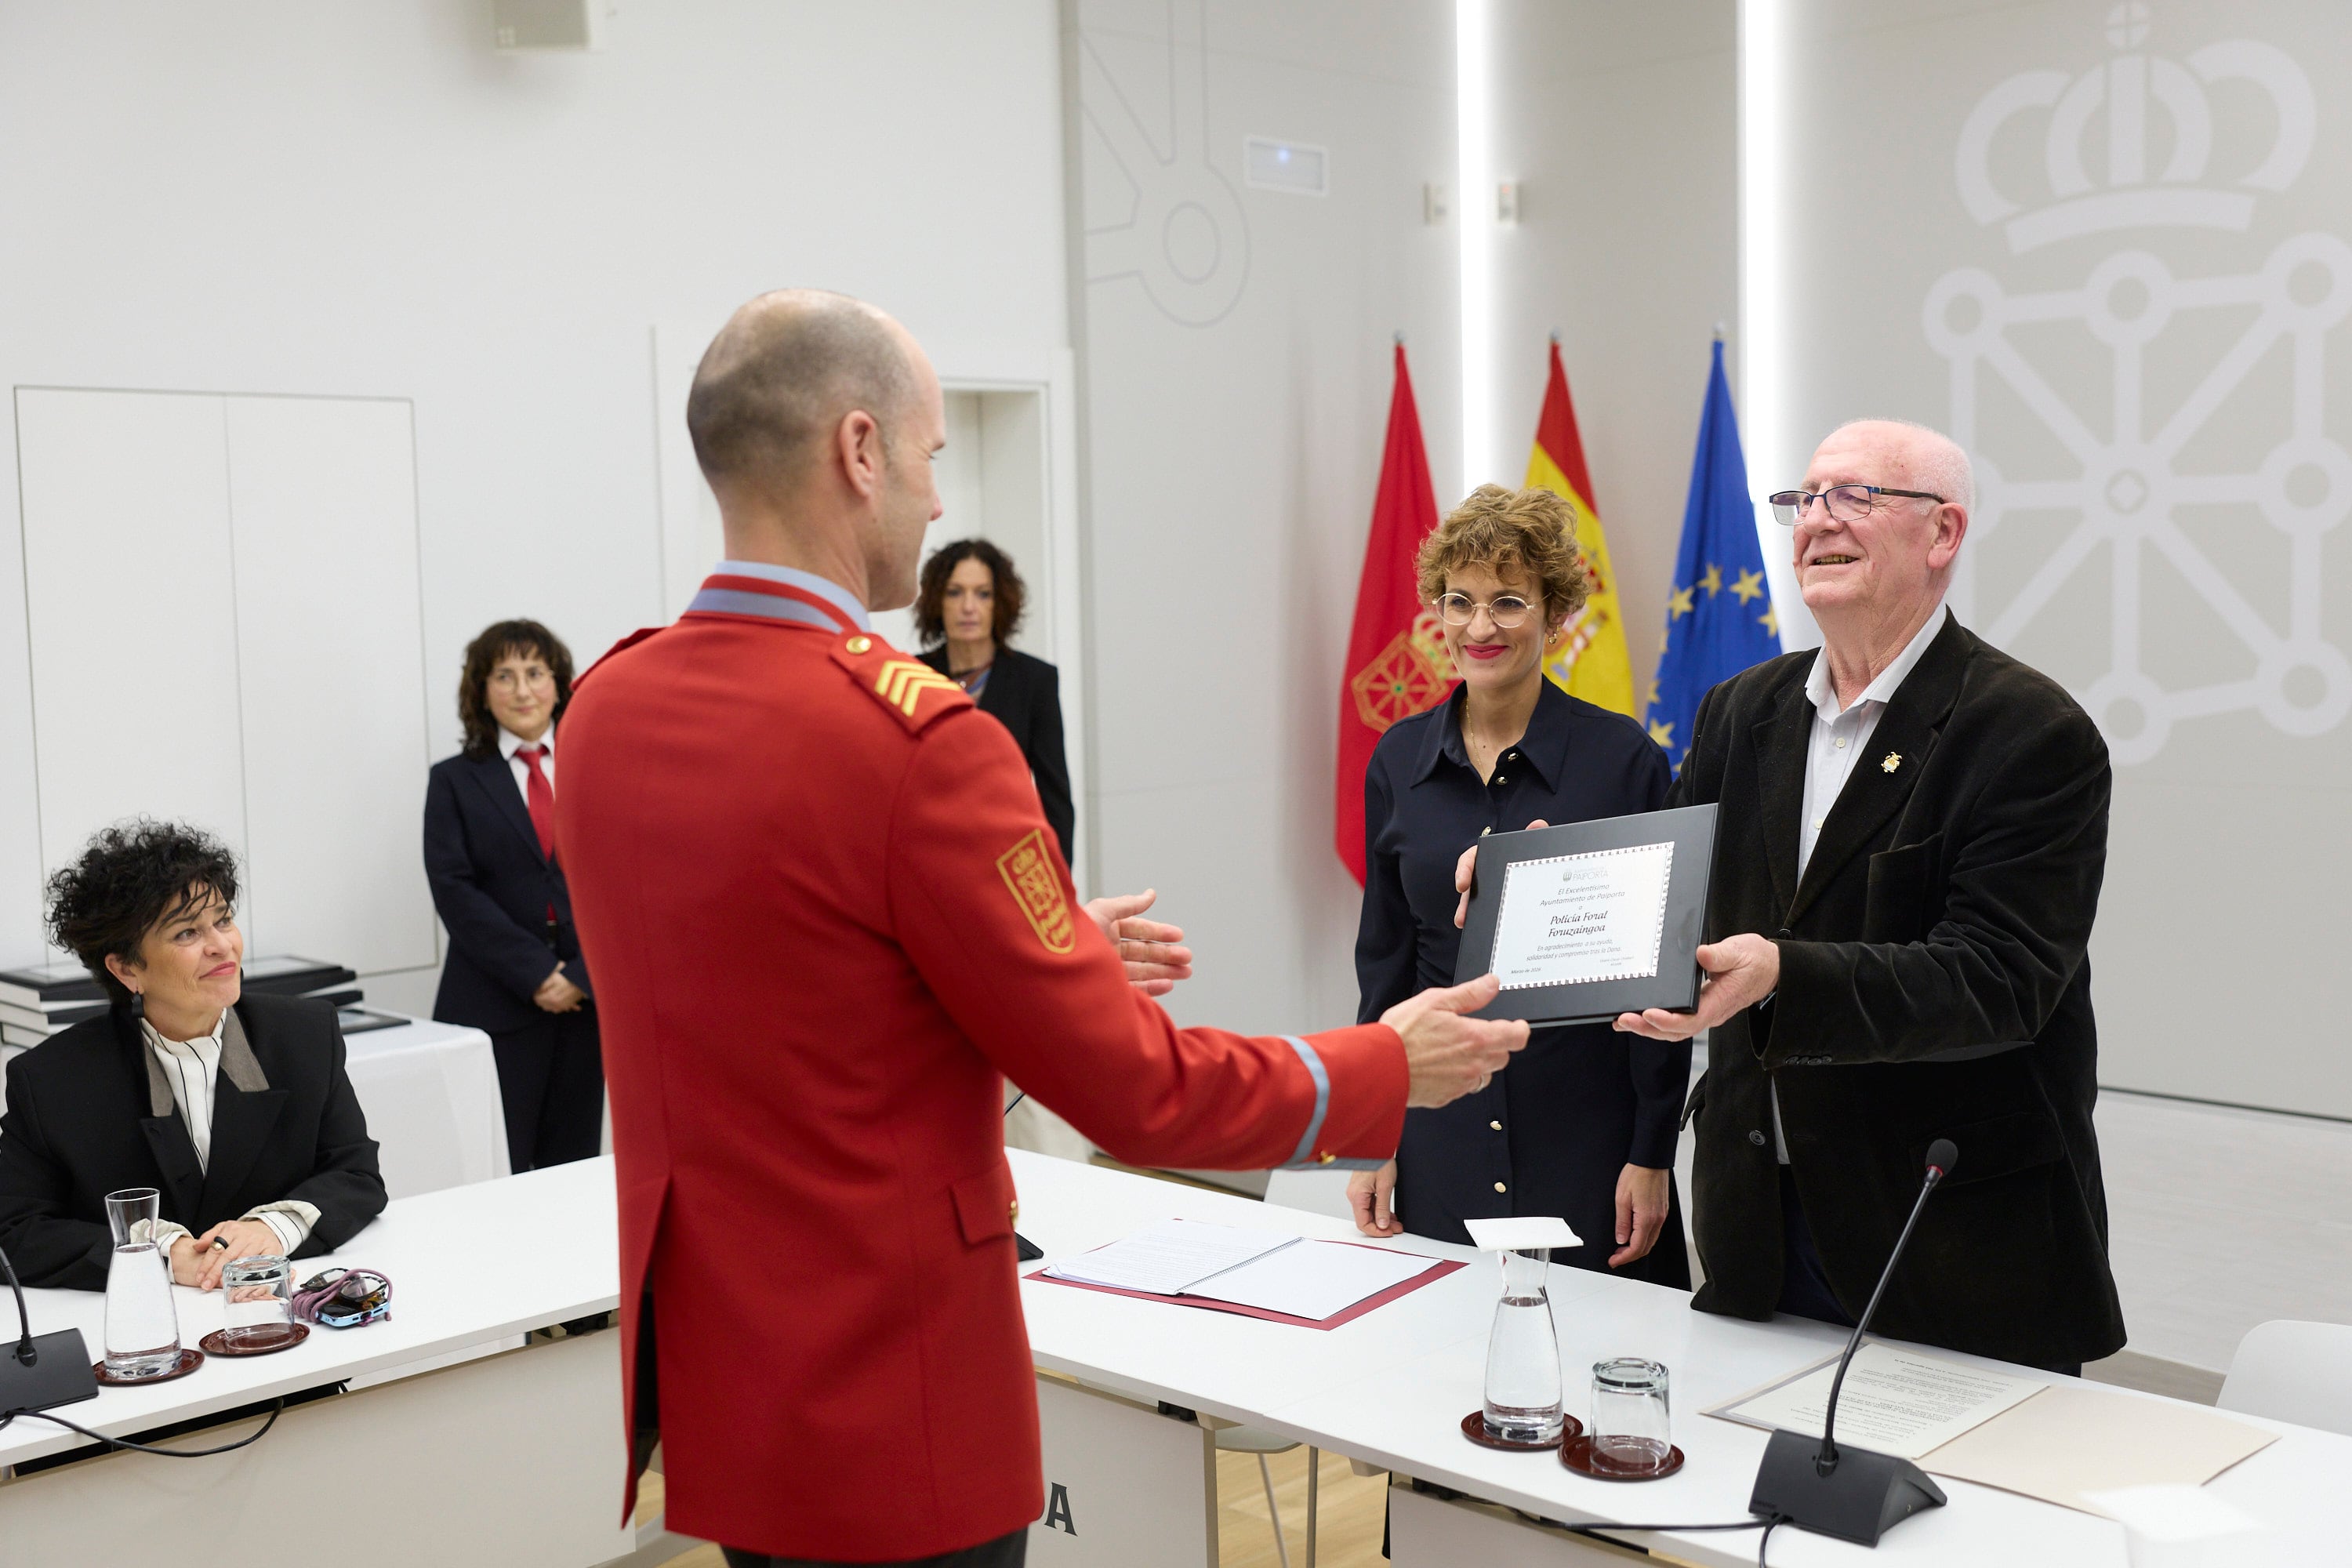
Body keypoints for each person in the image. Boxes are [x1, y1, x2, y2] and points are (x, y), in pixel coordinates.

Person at [557, 288, 1528, 1568]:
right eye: (928, 457)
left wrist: (1030, 941)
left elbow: (777, 966)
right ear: (858, 451)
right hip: (896, 1406)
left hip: (731, 1387)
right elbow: (1141, 1095)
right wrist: (1387, 1067)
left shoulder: (608, 708)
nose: (936, 498)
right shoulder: (921, 747)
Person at [1611, 418, 2124, 1374]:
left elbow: (1999, 980)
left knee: (1963, 1522)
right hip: (1755, 1227)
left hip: (1947, 1243)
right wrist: (1546, 877)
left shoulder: (2030, 733)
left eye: (1855, 496)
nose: (1817, 521)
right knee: (1735, 1510)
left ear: (1943, 534)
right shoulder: (1740, 710)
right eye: (1804, 499)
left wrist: (1781, 974)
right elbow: (1666, 892)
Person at [1349, 485, 1688, 1287]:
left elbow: (1661, 980)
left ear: (1555, 611)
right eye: (1459, 601)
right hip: (1441, 1131)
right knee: (1437, 1368)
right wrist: (1373, 1134)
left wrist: (1651, 1151)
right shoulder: (1398, 761)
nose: (1479, 626)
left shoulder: (1624, 761)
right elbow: (1383, 967)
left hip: (1585, 1135)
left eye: (1507, 601)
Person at [0, 821, 385, 1290]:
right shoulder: (50, 1079)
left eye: (223, 920)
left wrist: (272, 1229)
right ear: (126, 969)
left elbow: (355, 1173)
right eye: (186, 933)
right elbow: (15, 1230)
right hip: (140, 1330)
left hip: (278, 1306)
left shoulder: (304, 1036)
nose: (222, 945)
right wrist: (160, 1254)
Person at [423, 620, 602, 1174]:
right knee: (495, 1170)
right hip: (493, 1003)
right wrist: (537, 975)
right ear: (481, 689)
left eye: (535, 673)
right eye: (504, 675)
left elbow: (630, 880)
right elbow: (454, 888)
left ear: (560, 683)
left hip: (586, 1004)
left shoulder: (598, 769)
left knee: (574, 1170)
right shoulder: (454, 780)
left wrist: (580, 975)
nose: (522, 690)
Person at [914, 539, 1075, 864]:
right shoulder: (911, 674)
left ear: (999, 603)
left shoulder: (1035, 680)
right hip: (928, 855)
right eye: (955, 592)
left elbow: (1054, 799)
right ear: (937, 601)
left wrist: (1060, 892)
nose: (968, 607)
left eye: (983, 594)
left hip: (1007, 859)